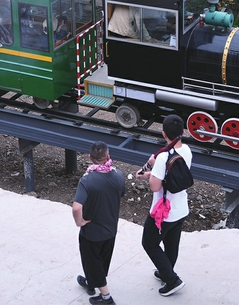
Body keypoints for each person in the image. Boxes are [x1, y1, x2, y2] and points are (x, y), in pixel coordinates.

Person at [135, 115, 191, 296]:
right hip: (181, 207)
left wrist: (152, 168)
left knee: (149, 243)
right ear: (182, 132)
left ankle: (172, 280)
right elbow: (173, 174)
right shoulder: (187, 151)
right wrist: (152, 172)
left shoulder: (162, 157)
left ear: (163, 134)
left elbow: (155, 186)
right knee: (171, 243)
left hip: (164, 212)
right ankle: (166, 270)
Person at [73, 141, 126, 304]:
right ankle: (91, 282)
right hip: (110, 229)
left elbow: (76, 208)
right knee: (102, 260)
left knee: (92, 261)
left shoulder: (87, 180)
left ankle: (106, 297)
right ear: (108, 156)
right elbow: (121, 194)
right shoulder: (118, 175)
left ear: (90, 158)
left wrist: (80, 222)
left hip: (92, 232)